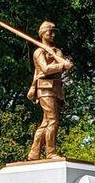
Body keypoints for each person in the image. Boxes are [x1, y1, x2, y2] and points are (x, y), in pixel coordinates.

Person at [27, 21, 74, 160]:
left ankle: (34, 153)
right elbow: (45, 69)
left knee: (46, 122)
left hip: (56, 89)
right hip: (45, 88)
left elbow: (60, 68)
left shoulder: (57, 51)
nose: (52, 34)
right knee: (53, 120)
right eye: (49, 32)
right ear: (42, 33)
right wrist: (62, 65)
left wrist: (63, 63)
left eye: (54, 32)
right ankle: (51, 152)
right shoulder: (39, 52)